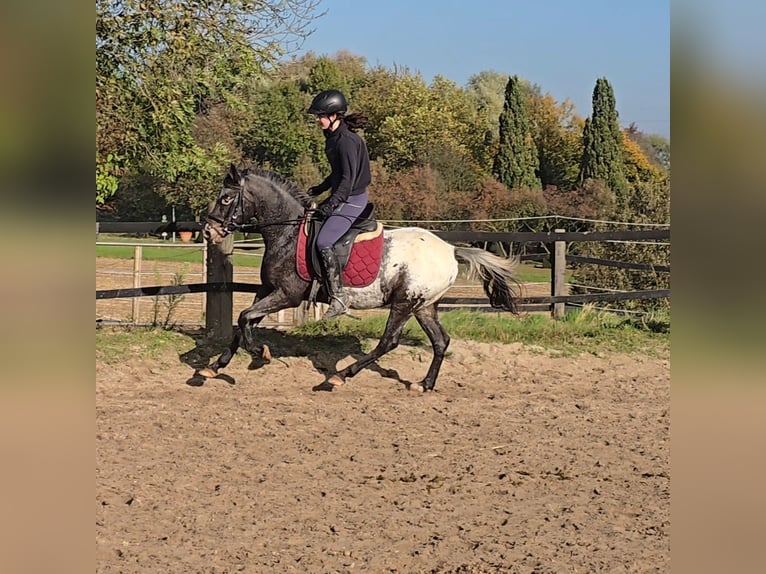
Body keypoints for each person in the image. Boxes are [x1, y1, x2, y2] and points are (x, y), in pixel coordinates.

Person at [306, 89, 372, 319]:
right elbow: (337, 174)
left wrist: (331, 204)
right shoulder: (333, 138)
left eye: (320, 116)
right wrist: (319, 189)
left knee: (324, 241)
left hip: (353, 199)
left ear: (334, 115)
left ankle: (339, 298)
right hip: (343, 194)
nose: (317, 119)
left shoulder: (346, 141)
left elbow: (347, 180)